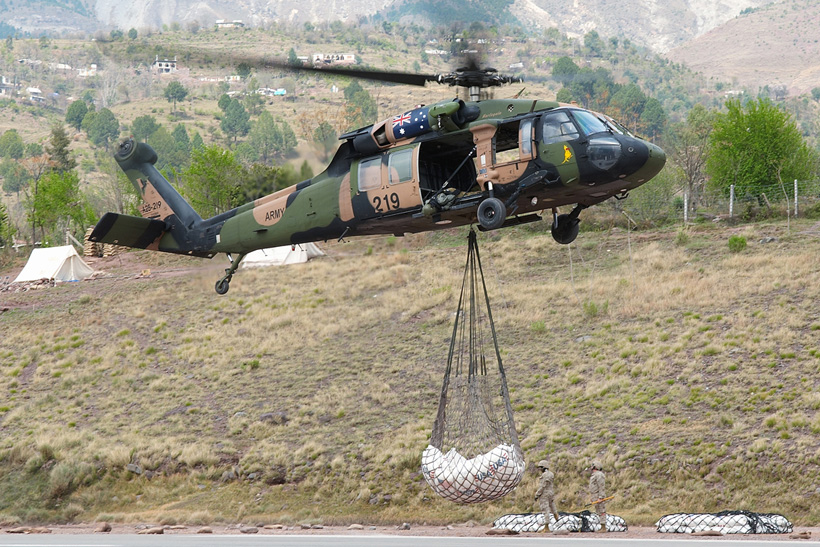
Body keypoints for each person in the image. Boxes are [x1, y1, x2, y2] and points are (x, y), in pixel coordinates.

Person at [534, 460, 559, 528]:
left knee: (545, 509)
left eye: (540, 467)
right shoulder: (551, 474)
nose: (539, 469)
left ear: (544, 467)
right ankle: (556, 516)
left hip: (544, 493)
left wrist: (537, 494)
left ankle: (546, 526)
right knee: (552, 505)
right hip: (551, 492)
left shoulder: (544, 475)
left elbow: (542, 486)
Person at [589, 460, 607, 533]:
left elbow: (601, 486)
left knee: (601, 510)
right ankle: (602, 526)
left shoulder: (599, 475)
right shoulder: (595, 475)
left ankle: (603, 527)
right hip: (595, 495)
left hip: (598, 495)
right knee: (598, 511)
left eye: (592, 465)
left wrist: (601, 497)